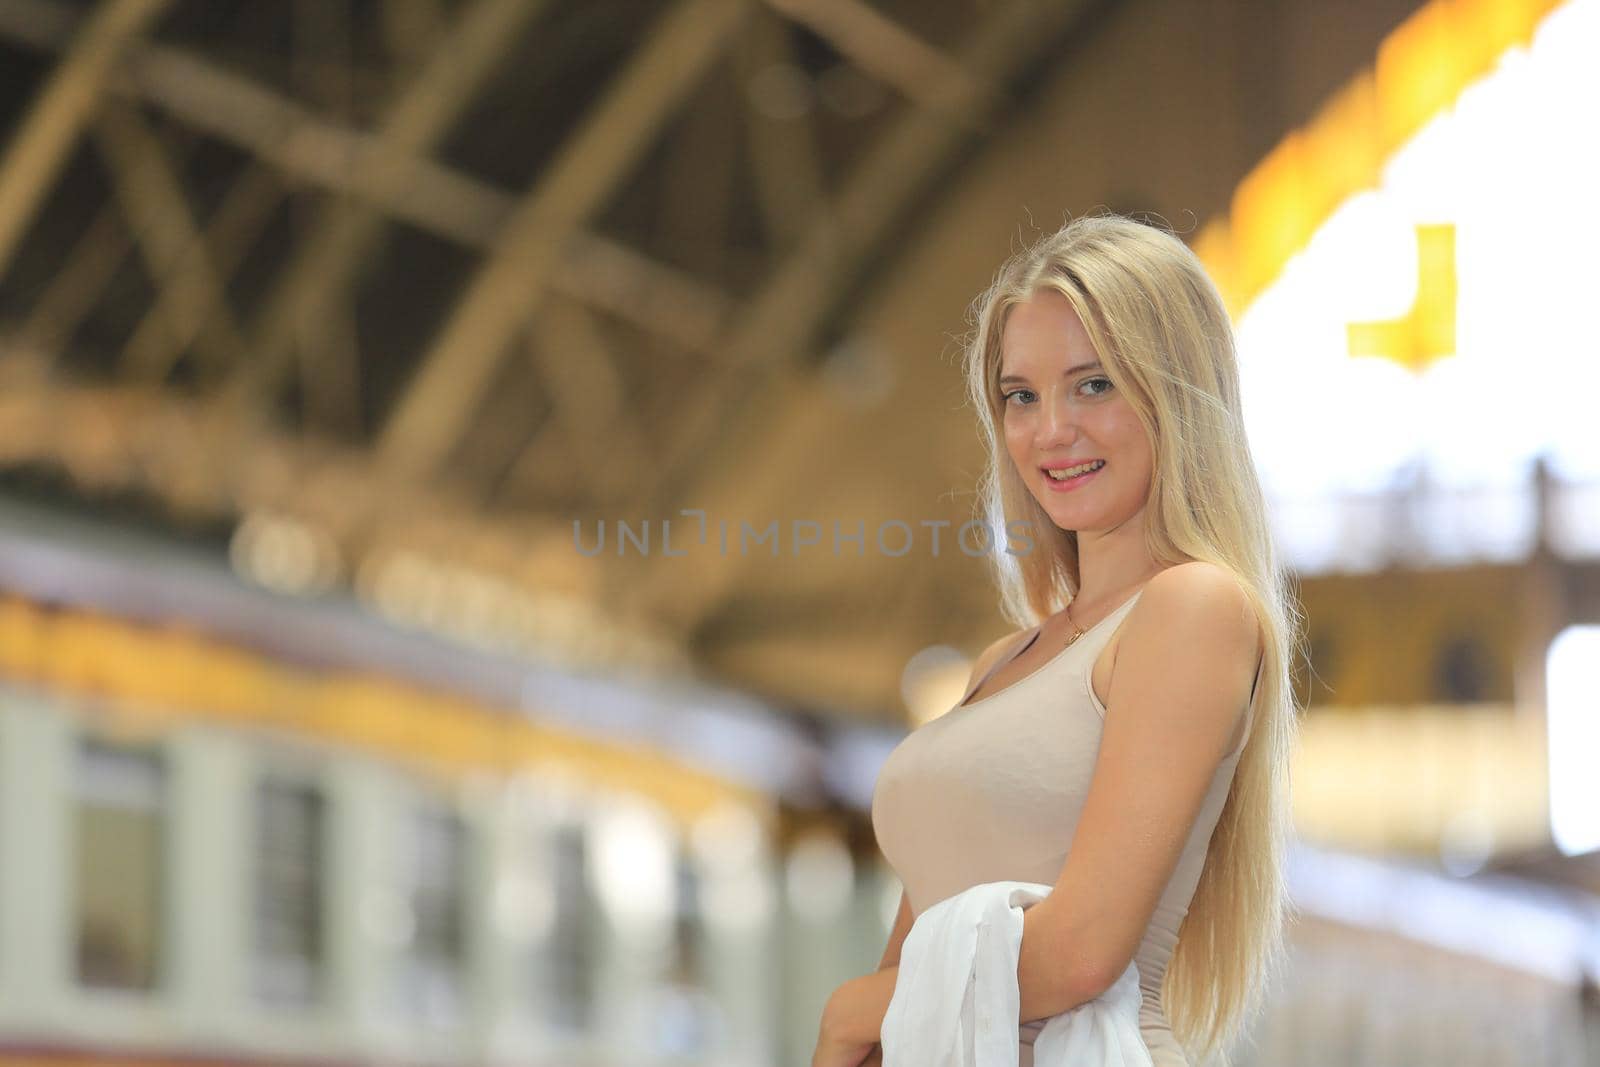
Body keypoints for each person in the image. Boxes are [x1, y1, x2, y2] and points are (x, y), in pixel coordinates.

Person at [810, 214, 1302, 1067]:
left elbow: (1080, 952)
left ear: (1176, 392)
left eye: (1095, 385)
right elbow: (921, 957)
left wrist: (854, 1008)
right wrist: (856, 1023)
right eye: (1021, 396)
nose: (1050, 432)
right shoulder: (1006, 660)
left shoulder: (1192, 608)